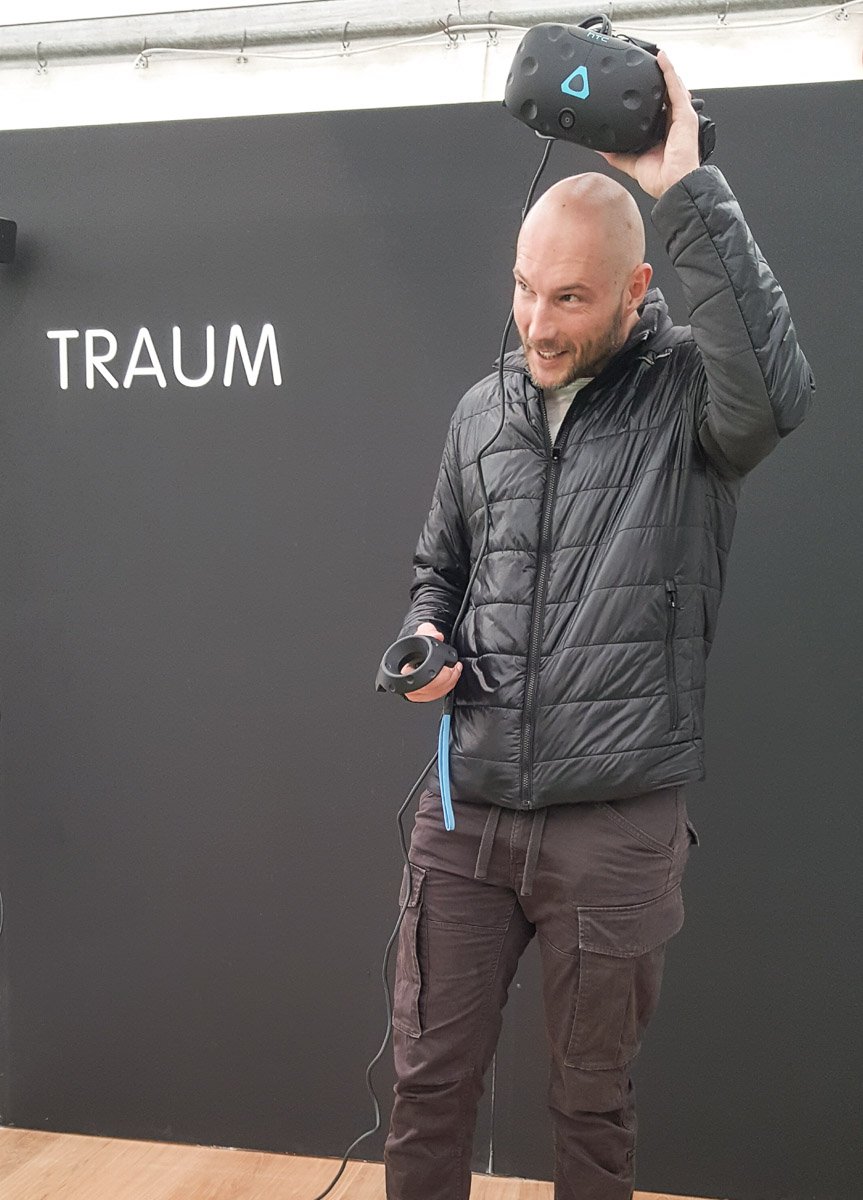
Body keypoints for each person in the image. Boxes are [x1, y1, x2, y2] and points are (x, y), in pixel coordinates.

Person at [383, 51, 814, 1200]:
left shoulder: (689, 397)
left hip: (613, 828)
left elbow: (776, 392)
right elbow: (437, 570)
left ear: (633, 291)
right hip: (466, 814)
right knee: (427, 1086)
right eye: (523, 288)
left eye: (567, 298)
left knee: (590, 1106)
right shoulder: (480, 412)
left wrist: (682, 188)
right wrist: (425, 642)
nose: (534, 320)